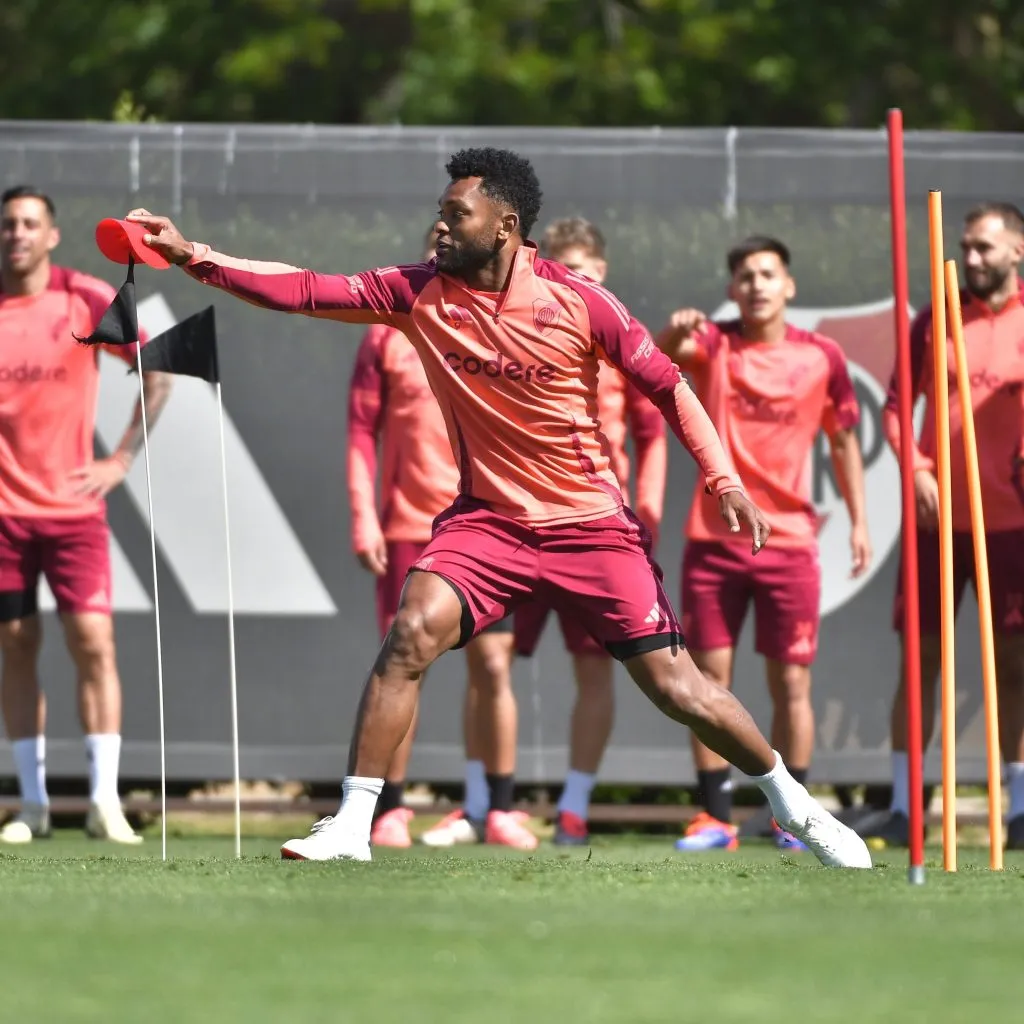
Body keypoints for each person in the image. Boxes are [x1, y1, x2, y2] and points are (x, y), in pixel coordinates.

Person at [125, 146, 871, 869]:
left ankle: (796, 807)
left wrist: (722, 478)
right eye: (441, 211)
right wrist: (194, 255)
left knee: (681, 690)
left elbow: (670, 387)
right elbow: (305, 289)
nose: (441, 225)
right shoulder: (416, 291)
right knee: (410, 634)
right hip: (487, 524)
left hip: (591, 527)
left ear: (506, 225)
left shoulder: (581, 300)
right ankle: (353, 824)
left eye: (457, 213)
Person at [656, 236, 871, 852]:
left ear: (789, 286)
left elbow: (844, 441)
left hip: (791, 543)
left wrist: (858, 522)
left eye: (768, 274)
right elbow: (652, 362)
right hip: (713, 541)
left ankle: (794, 823)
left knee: (792, 685)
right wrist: (673, 330)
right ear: (732, 289)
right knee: (705, 681)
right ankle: (714, 817)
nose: (756, 285)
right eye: (745, 276)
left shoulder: (822, 356)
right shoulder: (711, 343)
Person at [347, 227, 535, 851]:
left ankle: (495, 808)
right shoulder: (388, 328)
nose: (445, 244)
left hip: (492, 523)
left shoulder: (505, 320)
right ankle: (387, 810)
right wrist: (364, 516)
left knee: (493, 665)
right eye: (438, 235)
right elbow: (360, 432)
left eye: (459, 233)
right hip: (409, 525)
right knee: (405, 662)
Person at [0, 185, 173, 844]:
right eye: (8, 224)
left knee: (94, 644)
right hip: (4, 518)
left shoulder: (85, 297)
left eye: (29, 224)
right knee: (16, 646)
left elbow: (156, 372)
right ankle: (33, 805)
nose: (17, 234)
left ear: (51, 236)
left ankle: (104, 802)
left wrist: (120, 460)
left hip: (73, 514)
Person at [866, 201, 1024, 850]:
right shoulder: (937, 317)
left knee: (1014, 662)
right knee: (922, 659)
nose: (973, 257)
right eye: (966, 246)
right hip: (937, 521)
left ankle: (1019, 809)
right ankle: (906, 806)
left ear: (1018, 251)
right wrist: (918, 468)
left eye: (985, 246)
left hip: (1012, 521)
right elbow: (896, 406)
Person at [514, 217, 666, 846]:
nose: (570, 279)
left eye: (582, 269)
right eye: (559, 267)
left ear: (601, 272)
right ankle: (487, 801)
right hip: (515, 520)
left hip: (593, 529)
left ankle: (573, 807)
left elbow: (655, 431)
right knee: (486, 660)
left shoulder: (618, 330)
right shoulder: (516, 324)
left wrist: (647, 510)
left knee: (602, 670)